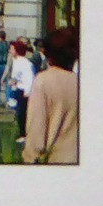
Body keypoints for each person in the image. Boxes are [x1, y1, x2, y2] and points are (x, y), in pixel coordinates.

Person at [23, 26, 79, 165]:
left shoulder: (43, 81)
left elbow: (36, 128)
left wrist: (30, 157)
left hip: (54, 160)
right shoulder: (79, 82)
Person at [5, 37, 36, 142]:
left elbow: (29, 78)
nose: (10, 50)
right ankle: (22, 133)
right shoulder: (16, 61)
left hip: (24, 91)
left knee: (23, 113)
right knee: (19, 113)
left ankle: (24, 134)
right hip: (18, 89)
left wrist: (28, 92)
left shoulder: (25, 63)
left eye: (12, 48)